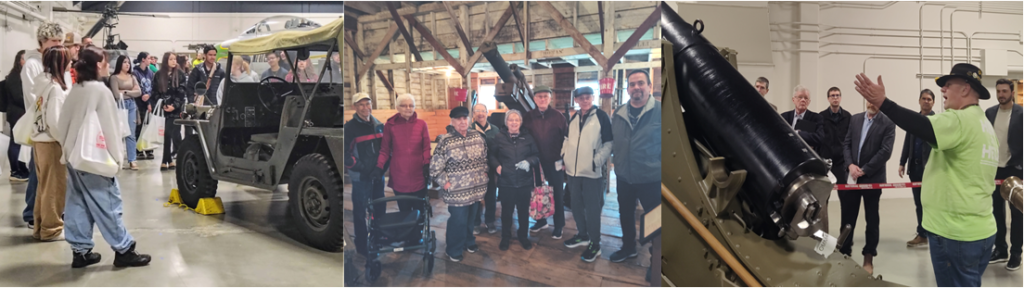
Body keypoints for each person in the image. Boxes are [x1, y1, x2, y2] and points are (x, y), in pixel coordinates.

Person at [854, 63, 997, 288]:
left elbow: (921, 125)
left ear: (965, 89)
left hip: (955, 235)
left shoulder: (958, 120)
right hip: (980, 231)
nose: (943, 90)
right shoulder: (984, 125)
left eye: (948, 85)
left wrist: (884, 103)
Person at [56, 45, 151, 268]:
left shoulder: (77, 88)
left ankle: (80, 251)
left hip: (74, 157)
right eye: (107, 60)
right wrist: (118, 159)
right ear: (99, 64)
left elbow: (62, 124)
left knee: (77, 203)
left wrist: (68, 150)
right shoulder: (100, 91)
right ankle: (124, 249)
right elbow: (111, 128)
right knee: (108, 202)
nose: (109, 64)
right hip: (95, 160)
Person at [21, 21, 69, 230]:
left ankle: (43, 218)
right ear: (42, 42)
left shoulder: (55, 66)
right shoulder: (32, 65)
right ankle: (37, 217)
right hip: (46, 131)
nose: (58, 44)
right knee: (44, 179)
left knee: (46, 180)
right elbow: (35, 99)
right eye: (53, 41)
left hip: (47, 130)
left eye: (60, 41)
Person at [610, 70, 661, 264]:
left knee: (655, 219)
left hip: (651, 177)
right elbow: (614, 141)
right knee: (625, 213)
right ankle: (628, 247)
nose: (636, 87)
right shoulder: (619, 113)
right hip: (624, 177)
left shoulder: (660, 111)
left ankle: (655, 260)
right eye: (632, 84)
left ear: (649, 86)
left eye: (641, 83)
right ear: (628, 89)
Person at [840, 101, 895, 274]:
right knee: (847, 217)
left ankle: (869, 256)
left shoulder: (887, 122)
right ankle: (844, 253)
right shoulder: (855, 119)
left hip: (872, 177)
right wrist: (850, 165)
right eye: (869, 99)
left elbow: (885, 152)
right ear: (865, 100)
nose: (872, 103)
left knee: (871, 219)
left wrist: (864, 170)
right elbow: (846, 144)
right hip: (852, 177)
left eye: (875, 100)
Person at [562, 86, 613, 262]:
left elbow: (608, 143)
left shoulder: (601, 116)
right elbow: (567, 139)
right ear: (576, 100)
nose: (585, 100)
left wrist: (596, 161)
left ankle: (595, 243)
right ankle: (582, 235)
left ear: (593, 98)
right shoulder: (574, 117)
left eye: (588, 97)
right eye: (581, 97)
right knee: (575, 205)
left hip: (592, 173)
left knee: (592, 208)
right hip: (573, 173)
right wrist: (564, 157)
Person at [430, 106, 488, 262]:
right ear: (452, 122)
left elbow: (484, 158)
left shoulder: (477, 136)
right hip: (457, 192)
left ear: (469, 120)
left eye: (465, 118)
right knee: (458, 221)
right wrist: (446, 184)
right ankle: (453, 249)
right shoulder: (445, 141)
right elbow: (435, 168)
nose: (462, 122)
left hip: (475, 189)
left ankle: (469, 242)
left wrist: (485, 173)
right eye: (458, 119)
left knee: (471, 219)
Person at [369, 94, 431, 213]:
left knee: (420, 210)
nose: (408, 108)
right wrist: (379, 167)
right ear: (397, 107)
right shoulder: (390, 126)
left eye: (411, 106)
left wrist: (426, 164)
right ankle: (408, 231)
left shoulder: (421, 124)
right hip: (400, 176)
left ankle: (420, 231)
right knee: (405, 211)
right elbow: (385, 150)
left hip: (418, 174)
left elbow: (426, 148)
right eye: (404, 106)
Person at [987, 78, 1024, 270]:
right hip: (994, 169)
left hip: (1015, 170)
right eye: (998, 91)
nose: (1001, 94)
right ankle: (1000, 249)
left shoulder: (1021, 113)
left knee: (1017, 214)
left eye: (1004, 91)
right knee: (996, 213)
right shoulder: (990, 113)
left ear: (1011, 92)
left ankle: (1016, 253)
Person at [489, 109, 539, 251]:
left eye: (517, 120)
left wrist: (529, 162)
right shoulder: (499, 137)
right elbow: (492, 156)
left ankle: (523, 236)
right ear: (506, 122)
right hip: (506, 182)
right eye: (511, 120)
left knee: (523, 212)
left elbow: (536, 155)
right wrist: (497, 165)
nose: (514, 122)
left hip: (524, 182)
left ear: (521, 122)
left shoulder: (528, 137)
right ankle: (505, 237)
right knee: (506, 212)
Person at [523, 85, 568, 238]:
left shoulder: (559, 116)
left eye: (545, 96)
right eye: (539, 97)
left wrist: (564, 160)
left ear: (550, 98)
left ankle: (559, 225)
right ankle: (541, 221)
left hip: (555, 161)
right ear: (534, 99)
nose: (542, 99)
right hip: (536, 162)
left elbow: (567, 140)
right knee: (537, 193)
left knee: (557, 194)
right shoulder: (528, 117)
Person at [344, 92, 386, 257]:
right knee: (361, 211)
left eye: (367, 104)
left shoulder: (378, 125)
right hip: (361, 178)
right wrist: (364, 169)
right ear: (355, 107)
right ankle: (362, 243)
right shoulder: (350, 128)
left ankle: (378, 236)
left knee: (379, 207)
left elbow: (385, 150)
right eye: (361, 104)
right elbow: (346, 155)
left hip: (377, 176)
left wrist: (379, 169)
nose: (365, 107)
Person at [899, 89, 936, 248]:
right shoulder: (914, 119)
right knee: (919, 204)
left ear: (933, 102)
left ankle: (933, 234)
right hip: (914, 169)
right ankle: (922, 234)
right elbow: (908, 141)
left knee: (931, 203)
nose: (926, 101)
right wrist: (902, 162)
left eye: (929, 99)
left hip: (931, 169)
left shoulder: (937, 120)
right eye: (924, 98)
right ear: (919, 100)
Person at [153, 52, 188, 170]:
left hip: (176, 109)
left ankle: (167, 159)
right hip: (163, 109)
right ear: (166, 61)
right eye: (171, 59)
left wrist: (174, 105)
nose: (174, 61)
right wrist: (163, 104)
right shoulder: (158, 75)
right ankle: (169, 160)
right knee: (167, 134)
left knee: (172, 133)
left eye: (175, 59)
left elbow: (182, 91)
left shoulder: (180, 74)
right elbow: (155, 92)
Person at [109, 55, 142, 170]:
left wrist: (125, 91)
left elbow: (139, 92)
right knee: (118, 133)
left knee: (130, 134)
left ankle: (132, 160)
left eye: (128, 62)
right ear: (119, 64)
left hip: (131, 106)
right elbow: (116, 94)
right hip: (119, 106)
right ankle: (117, 158)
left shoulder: (132, 77)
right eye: (124, 62)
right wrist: (130, 91)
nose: (127, 64)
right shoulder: (114, 77)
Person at [3, 50, 31, 183]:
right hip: (16, 114)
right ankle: (15, 171)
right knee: (15, 142)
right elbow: (18, 96)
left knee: (21, 142)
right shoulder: (15, 76)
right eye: (24, 59)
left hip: (21, 113)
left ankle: (22, 167)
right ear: (19, 60)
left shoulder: (23, 74)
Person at [471, 103, 499, 235]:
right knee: (476, 198)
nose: (480, 113)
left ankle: (490, 221)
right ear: (473, 114)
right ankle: (476, 223)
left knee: (491, 196)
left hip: (492, 170)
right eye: (477, 111)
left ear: (487, 113)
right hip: (475, 171)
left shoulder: (495, 130)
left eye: (483, 111)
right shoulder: (469, 130)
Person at [781, 85, 825, 151]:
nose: (803, 100)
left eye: (806, 98)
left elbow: (820, 138)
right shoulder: (784, 117)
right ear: (793, 100)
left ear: (809, 102)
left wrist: (798, 133)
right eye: (800, 97)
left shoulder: (816, 118)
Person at [131, 52, 155, 160]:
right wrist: (144, 98)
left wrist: (149, 98)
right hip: (139, 103)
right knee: (139, 128)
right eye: (149, 58)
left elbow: (153, 87)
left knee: (149, 128)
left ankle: (149, 149)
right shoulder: (135, 73)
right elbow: (137, 87)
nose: (151, 60)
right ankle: (138, 149)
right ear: (143, 60)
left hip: (149, 103)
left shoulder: (150, 73)